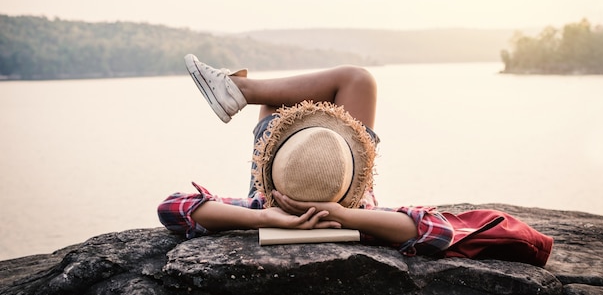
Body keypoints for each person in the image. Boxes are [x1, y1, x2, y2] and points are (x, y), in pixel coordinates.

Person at [158, 54, 553, 265]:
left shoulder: (263, 204)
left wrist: (266, 217)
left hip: (292, 181)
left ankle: (240, 90)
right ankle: (242, 89)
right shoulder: (360, 215)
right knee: (358, 80)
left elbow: (174, 208)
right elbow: (438, 232)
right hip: (338, 182)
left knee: (294, 100)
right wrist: (342, 214)